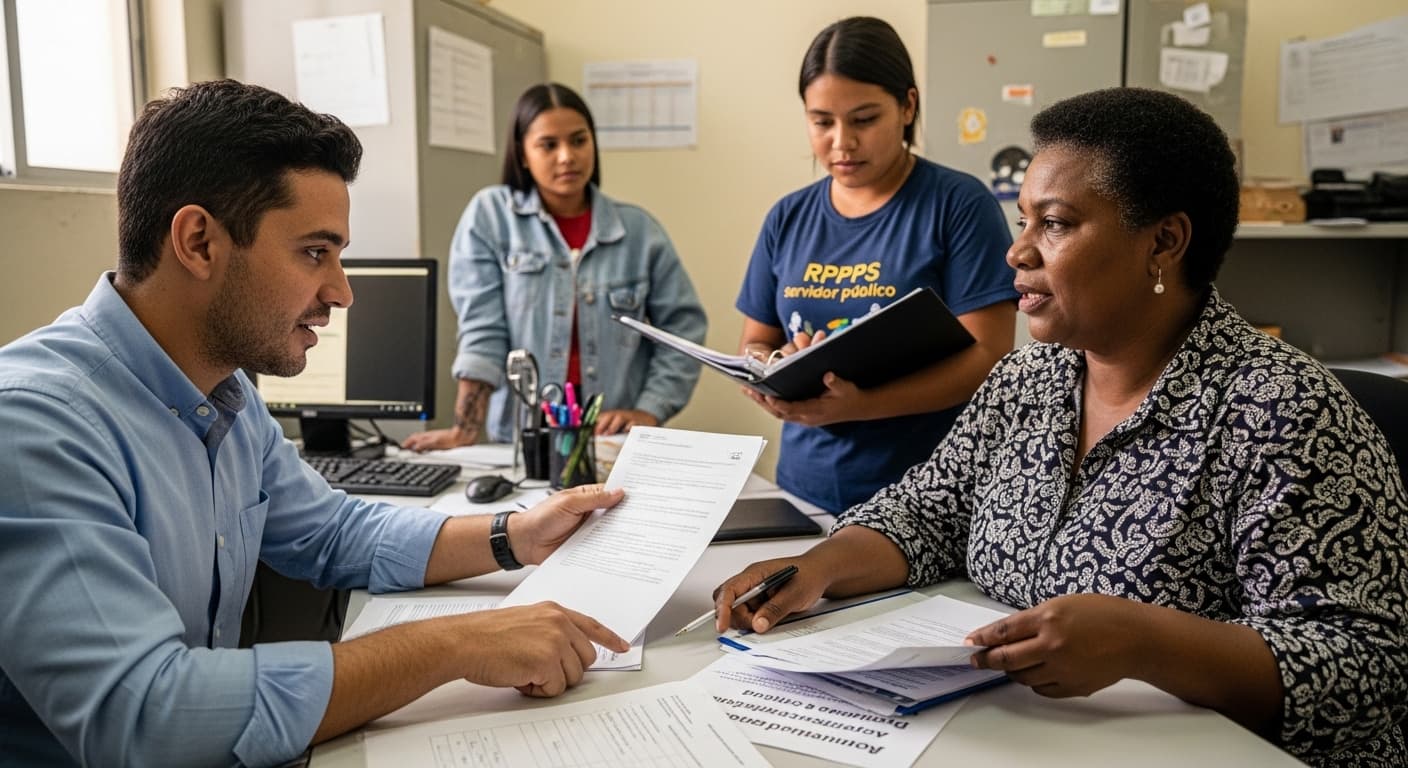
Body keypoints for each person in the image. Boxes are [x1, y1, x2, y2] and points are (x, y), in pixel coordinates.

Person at [713, 87, 1408, 766]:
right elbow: (927, 512)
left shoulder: (1284, 411)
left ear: (1164, 241)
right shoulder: (1029, 380)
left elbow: (1364, 670)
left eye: (1056, 224)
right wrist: (819, 567)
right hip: (1020, 738)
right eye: (1022, 222)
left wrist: (1144, 642)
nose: (1018, 254)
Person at [0, 80, 630, 767]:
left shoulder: (223, 391)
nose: (342, 291)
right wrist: (457, 643)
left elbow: (332, 530)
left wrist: (515, 534)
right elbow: (147, 715)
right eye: (314, 252)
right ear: (199, 242)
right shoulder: (35, 426)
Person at [736, 17, 1018, 514]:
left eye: (864, 119)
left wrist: (862, 405)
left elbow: (988, 357)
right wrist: (771, 370)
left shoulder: (959, 204)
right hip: (804, 491)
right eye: (822, 121)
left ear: (907, 106)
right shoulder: (789, 215)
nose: (841, 142)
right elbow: (754, 342)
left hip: (928, 496)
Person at [402, 83, 706, 450]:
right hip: (521, 442)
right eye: (548, 145)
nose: (567, 157)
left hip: (611, 442)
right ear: (523, 154)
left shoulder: (638, 231)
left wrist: (649, 409)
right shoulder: (491, 216)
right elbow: (483, 331)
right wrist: (464, 430)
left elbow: (683, 330)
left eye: (579, 141)